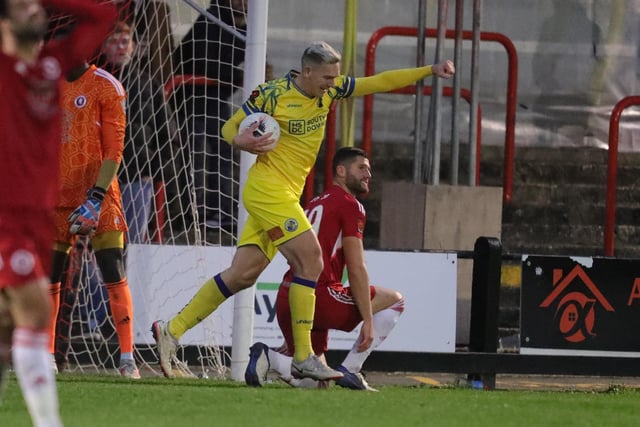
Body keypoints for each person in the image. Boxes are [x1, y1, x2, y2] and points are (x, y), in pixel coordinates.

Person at [152, 41, 454, 381]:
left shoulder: (329, 92)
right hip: (268, 189)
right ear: (306, 72)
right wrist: (243, 142)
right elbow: (228, 128)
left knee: (242, 274)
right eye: (326, 76)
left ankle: (171, 331)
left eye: (335, 76)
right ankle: (302, 356)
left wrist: (429, 71)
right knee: (311, 261)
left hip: (285, 195)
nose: (332, 83)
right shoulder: (272, 94)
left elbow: (378, 81)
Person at [0, 0, 116, 424]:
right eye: (21, 7)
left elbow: (102, 16)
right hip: (5, 215)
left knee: (7, 326)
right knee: (34, 310)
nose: (33, 12)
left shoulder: (50, 67)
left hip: (38, 215)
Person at [244, 147, 405, 391]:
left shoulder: (314, 202)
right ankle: (351, 369)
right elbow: (356, 267)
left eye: (369, 169)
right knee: (395, 301)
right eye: (361, 168)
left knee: (318, 384)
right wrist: (368, 322)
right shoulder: (351, 205)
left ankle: (274, 360)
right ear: (340, 171)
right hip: (320, 296)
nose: (368, 174)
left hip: (289, 297)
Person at [48, 58, 140, 379]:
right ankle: (47, 357)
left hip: (98, 195)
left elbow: (114, 151)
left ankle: (127, 358)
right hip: (57, 195)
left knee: (113, 269)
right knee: (50, 276)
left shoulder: (107, 85)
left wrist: (96, 197)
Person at [99, 21, 180, 244]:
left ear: (134, 46)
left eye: (125, 42)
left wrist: (156, 171)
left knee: (131, 242)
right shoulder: (93, 83)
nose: (121, 47)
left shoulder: (148, 85)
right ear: (104, 47)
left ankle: (126, 280)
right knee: (100, 243)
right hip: (97, 180)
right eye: (114, 42)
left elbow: (167, 132)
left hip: (137, 178)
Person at [172, 0, 249, 233]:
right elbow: (204, 62)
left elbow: (228, 70)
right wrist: (240, 76)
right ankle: (190, 213)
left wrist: (245, 75)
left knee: (224, 150)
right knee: (193, 152)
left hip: (215, 96)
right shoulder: (211, 20)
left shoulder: (247, 31)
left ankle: (221, 212)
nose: (243, 3)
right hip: (189, 95)